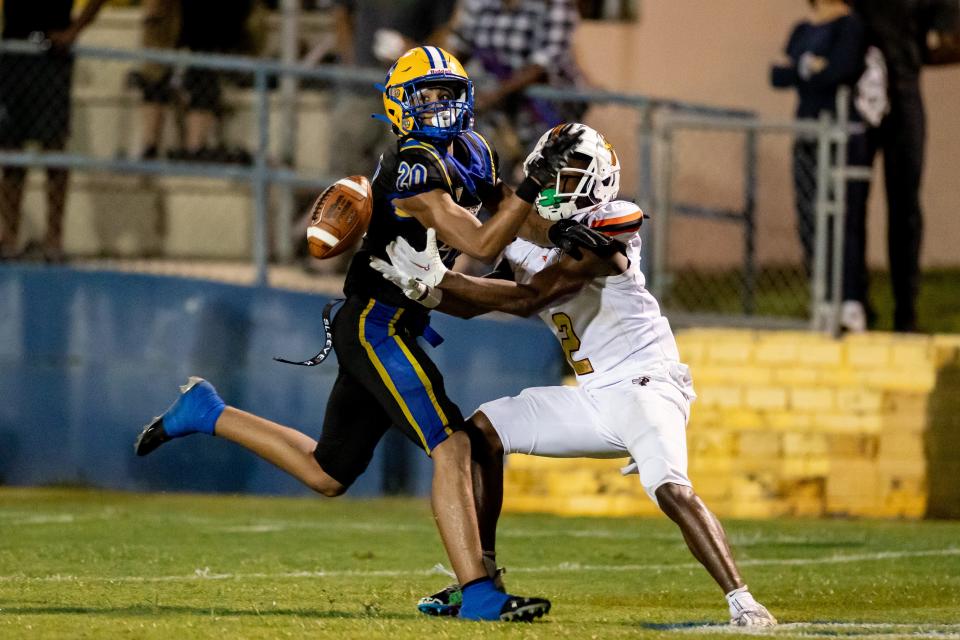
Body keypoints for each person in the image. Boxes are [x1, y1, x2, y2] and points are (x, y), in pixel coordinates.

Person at [134, 47, 590, 622]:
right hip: (376, 325)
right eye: (424, 95)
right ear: (400, 105)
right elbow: (479, 244)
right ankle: (477, 591)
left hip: (399, 324)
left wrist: (569, 225)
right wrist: (528, 188)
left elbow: (514, 219)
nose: (437, 105)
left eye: (445, 93)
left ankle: (207, 412)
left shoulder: (473, 149)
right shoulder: (412, 162)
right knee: (452, 445)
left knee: (329, 473)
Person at [371, 124, 778, 627]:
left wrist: (442, 282)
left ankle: (743, 601)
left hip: (644, 383)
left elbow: (532, 298)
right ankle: (481, 578)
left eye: (574, 174)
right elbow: (483, 299)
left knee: (671, 488)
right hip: (591, 396)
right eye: (555, 173)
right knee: (479, 434)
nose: (561, 185)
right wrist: (425, 288)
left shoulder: (609, 221)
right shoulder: (529, 228)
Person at [850, 0, 957, 332]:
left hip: (904, 92)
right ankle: (854, 305)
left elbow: (949, 39)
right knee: (850, 203)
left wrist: (908, 54)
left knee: (905, 207)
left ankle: (905, 310)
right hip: (858, 94)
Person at [770, 0, 871, 332]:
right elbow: (778, 74)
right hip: (808, 135)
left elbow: (840, 69)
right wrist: (809, 67)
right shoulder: (803, 30)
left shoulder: (851, 27)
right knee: (809, 218)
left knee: (845, 218)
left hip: (841, 138)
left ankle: (851, 301)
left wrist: (805, 69)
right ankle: (822, 295)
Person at [0, 0, 110, 262]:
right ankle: (8, 238)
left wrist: (74, 32)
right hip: (14, 50)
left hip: (52, 54)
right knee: (12, 153)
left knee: (54, 149)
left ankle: (54, 240)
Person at [451, 0, 585, 181]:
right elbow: (462, 46)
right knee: (488, 178)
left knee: (545, 182)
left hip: (542, 110)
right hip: (497, 114)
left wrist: (495, 95)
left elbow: (543, 63)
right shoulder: (481, 4)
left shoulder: (555, 5)